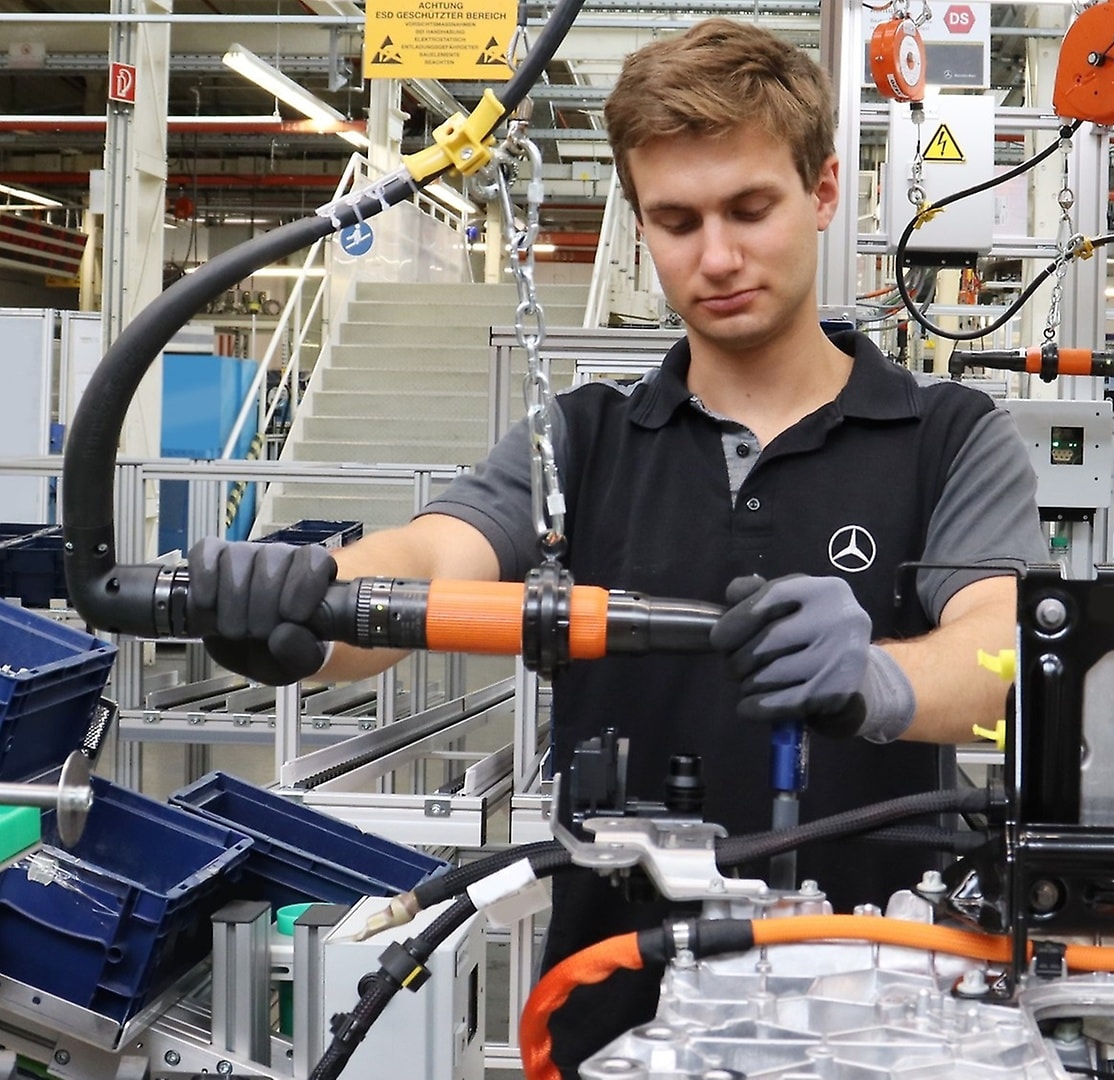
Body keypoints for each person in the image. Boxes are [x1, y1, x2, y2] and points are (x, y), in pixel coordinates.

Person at [186, 18, 1046, 1076]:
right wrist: (304, 605)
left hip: (877, 1006)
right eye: (676, 221)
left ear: (824, 194)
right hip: (613, 1008)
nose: (717, 255)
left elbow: (1004, 652)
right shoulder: (582, 440)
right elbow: (435, 560)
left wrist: (878, 675)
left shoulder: (947, 436)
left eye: (750, 208)